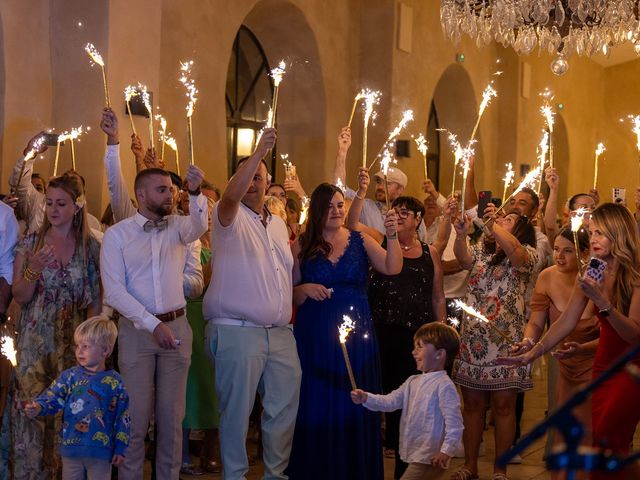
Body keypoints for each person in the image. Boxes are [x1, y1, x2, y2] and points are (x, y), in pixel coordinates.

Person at [500, 203, 640, 480]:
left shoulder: (634, 276)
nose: (594, 238)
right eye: (592, 232)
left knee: (609, 441)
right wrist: (535, 350)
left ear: (618, 233)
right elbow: (567, 321)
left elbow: (634, 335)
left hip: (630, 370)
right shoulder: (594, 269)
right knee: (599, 443)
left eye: (600, 233)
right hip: (603, 366)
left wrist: (601, 300)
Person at [203, 128, 302, 480]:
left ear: (268, 181)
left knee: (283, 409)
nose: (253, 183)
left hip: (279, 333)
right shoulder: (227, 217)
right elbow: (230, 197)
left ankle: (275, 475)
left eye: (260, 176)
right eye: (247, 175)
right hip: (237, 330)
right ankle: (234, 476)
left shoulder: (277, 224)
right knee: (237, 413)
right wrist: (259, 152)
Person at [287, 181, 402, 480]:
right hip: (315, 333)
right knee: (316, 398)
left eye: (340, 205)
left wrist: (392, 236)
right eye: (329, 206)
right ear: (316, 211)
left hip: (356, 333)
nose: (337, 211)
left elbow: (392, 268)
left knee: (353, 396)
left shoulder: (360, 241)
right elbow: (287, 292)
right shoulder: (302, 244)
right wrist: (304, 288)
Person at [100, 164, 207, 479]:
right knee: (135, 419)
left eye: (172, 189)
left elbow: (200, 225)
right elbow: (115, 292)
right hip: (136, 332)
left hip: (177, 328)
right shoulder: (117, 235)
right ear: (141, 194)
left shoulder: (179, 227)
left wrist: (196, 192)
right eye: (162, 189)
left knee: (172, 421)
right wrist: (152, 324)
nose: (170, 194)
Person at [347, 167, 449, 478]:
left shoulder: (429, 253)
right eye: (396, 211)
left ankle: (404, 468)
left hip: (414, 338)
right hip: (378, 332)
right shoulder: (380, 239)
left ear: (418, 219)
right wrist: (362, 191)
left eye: (406, 213)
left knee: (408, 404)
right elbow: (352, 225)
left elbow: (437, 297)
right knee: (376, 394)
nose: (399, 216)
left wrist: (441, 333)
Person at [11, 172, 102, 479]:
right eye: (49, 203)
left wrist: (92, 346)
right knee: (32, 414)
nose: (52, 209)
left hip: (74, 344)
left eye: (61, 204)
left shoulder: (89, 247)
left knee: (69, 416)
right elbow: (20, 295)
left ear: (77, 207)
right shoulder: (30, 243)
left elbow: (95, 298)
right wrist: (33, 270)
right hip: (36, 342)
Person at [450, 211, 538, 480]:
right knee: (473, 406)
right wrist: (463, 234)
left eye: (509, 219)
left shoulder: (528, 254)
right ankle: (470, 466)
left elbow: (515, 252)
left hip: (505, 342)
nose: (500, 220)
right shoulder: (482, 250)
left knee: (503, 407)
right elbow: (464, 259)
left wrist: (491, 225)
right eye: (500, 218)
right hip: (474, 341)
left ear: (520, 230)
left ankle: (500, 469)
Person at [511, 227, 598, 480]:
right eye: (557, 250)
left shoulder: (595, 274)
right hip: (563, 364)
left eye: (567, 251)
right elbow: (537, 323)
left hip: (595, 363)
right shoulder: (547, 277)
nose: (559, 256)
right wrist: (528, 342)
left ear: (585, 253)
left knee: (590, 431)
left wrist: (582, 347)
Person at [351, 322, 463, 480]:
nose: (413, 352)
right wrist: (366, 397)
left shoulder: (444, 386)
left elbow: (455, 424)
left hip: (431, 458)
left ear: (439, 354)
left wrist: (446, 451)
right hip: (417, 454)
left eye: (420, 347)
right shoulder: (412, 381)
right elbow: (390, 402)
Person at [24, 316, 130, 480]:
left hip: (101, 453)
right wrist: (38, 407)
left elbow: (123, 417)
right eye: (78, 346)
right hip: (71, 450)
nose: (79, 351)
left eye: (86, 346)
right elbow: (53, 397)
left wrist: (121, 448)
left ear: (105, 351)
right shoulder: (69, 377)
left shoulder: (115, 382)